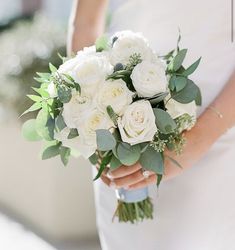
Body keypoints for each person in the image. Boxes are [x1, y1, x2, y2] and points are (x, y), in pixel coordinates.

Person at [68, 0, 235, 249]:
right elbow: (85, 22)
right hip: (116, 118)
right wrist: (90, 107)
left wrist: (199, 139)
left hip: (217, 127)